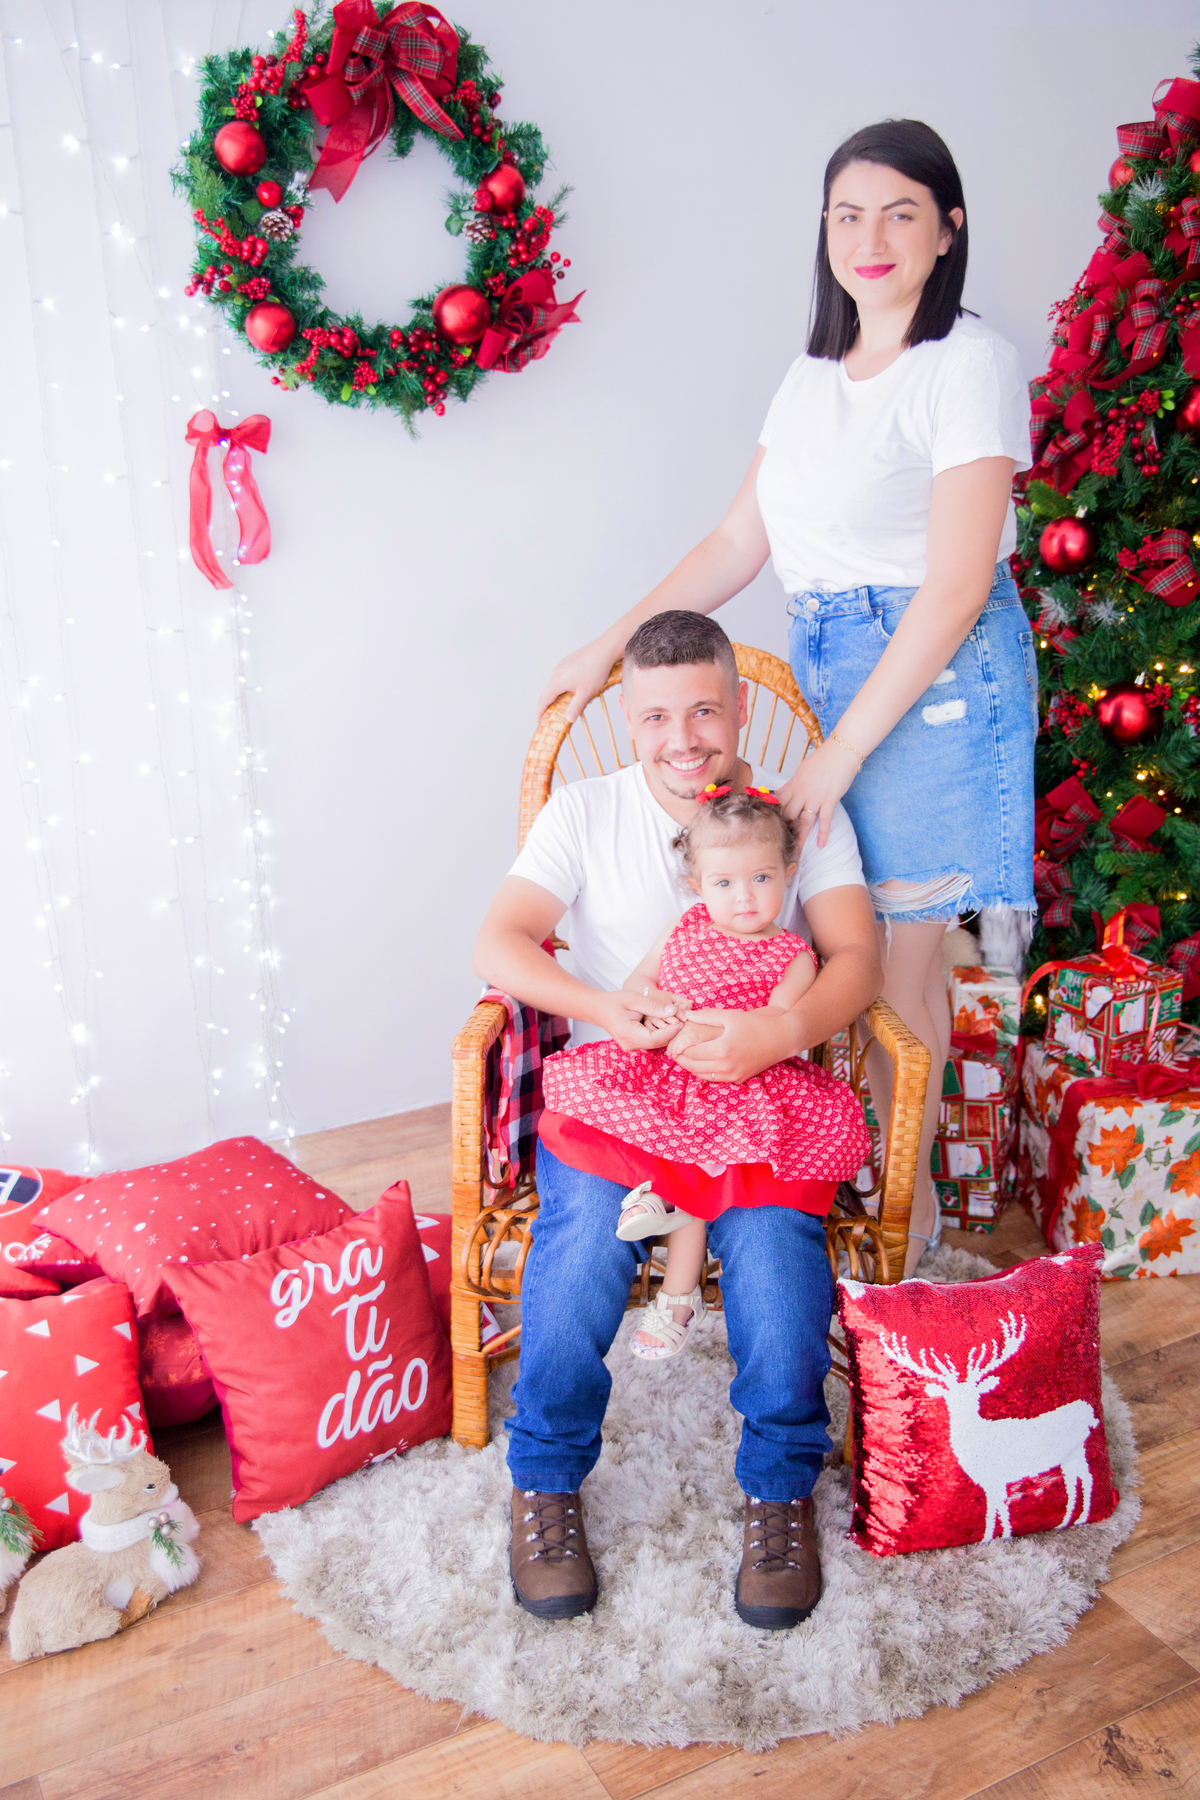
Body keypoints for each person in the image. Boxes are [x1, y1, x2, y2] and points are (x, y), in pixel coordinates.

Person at [538, 119, 1035, 1277]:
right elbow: (731, 542)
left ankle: (894, 1268)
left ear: (947, 228)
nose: (872, 238)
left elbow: (959, 584)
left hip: (937, 684)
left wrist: (840, 756)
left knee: (894, 981)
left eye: (902, 212)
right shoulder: (811, 378)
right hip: (837, 672)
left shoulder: (969, 362)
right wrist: (607, 647)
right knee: (858, 957)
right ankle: (872, 1214)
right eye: (848, 214)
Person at [473, 609, 881, 1630]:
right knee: (581, 1252)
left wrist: (775, 1037)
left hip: (756, 1090)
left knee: (778, 1258)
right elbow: (501, 942)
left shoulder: (800, 816)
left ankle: (780, 1492)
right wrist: (608, 1008)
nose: (683, 737)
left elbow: (857, 961)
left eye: (705, 709)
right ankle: (546, 1482)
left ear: (739, 708)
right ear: (628, 717)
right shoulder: (583, 809)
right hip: (628, 1086)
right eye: (656, 716)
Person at [540, 784, 870, 1361]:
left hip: (743, 1079)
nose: (744, 898)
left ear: (789, 873)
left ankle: (676, 1289)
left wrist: (719, 1029)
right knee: (621, 1114)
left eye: (761, 879)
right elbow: (642, 983)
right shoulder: (684, 928)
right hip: (669, 1063)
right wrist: (654, 1010)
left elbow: (777, 1021)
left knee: (716, 1152)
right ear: (697, 886)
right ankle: (667, 1227)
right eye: (724, 883)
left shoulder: (792, 953)